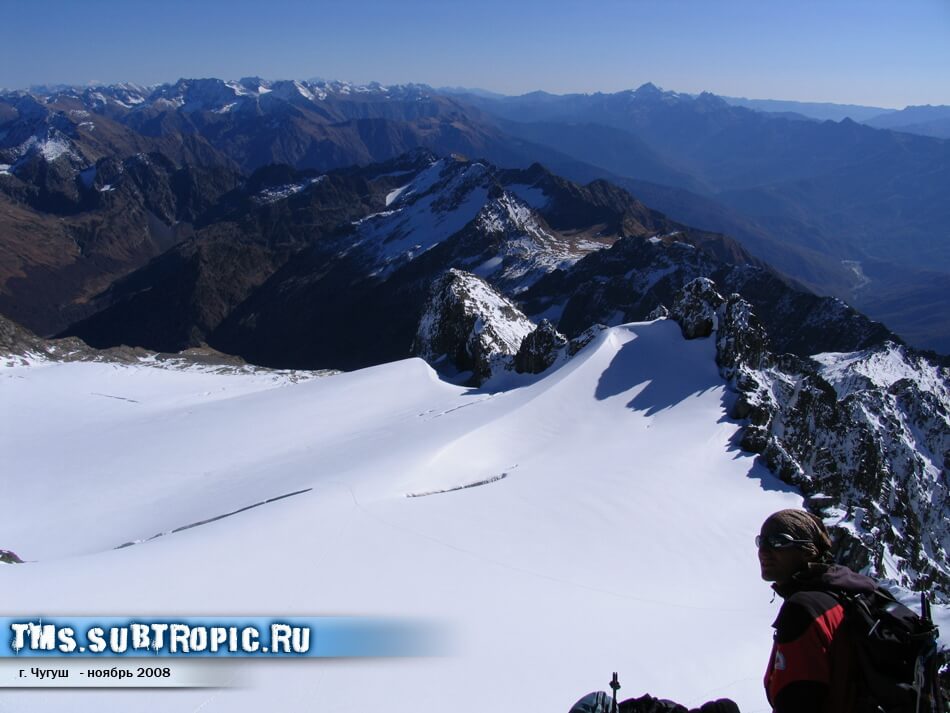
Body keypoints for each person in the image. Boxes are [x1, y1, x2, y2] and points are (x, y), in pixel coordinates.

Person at [758, 508, 875, 713]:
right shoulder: (849, 594)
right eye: (761, 541)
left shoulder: (803, 610)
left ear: (807, 550)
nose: (764, 551)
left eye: (777, 541)